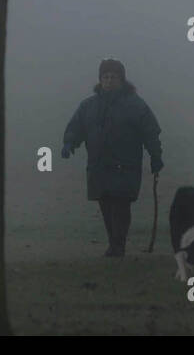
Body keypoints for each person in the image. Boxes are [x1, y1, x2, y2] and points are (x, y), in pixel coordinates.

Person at [61, 58, 164, 257]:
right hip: (98, 165)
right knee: (105, 204)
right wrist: (69, 143)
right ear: (100, 80)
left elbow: (150, 132)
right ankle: (113, 243)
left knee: (120, 206)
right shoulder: (88, 106)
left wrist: (156, 156)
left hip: (125, 166)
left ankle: (118, 245)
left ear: (122, 80)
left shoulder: (135, 105)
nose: (109, 81)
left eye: (113, 77)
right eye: (105, 77)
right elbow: (77, 127)